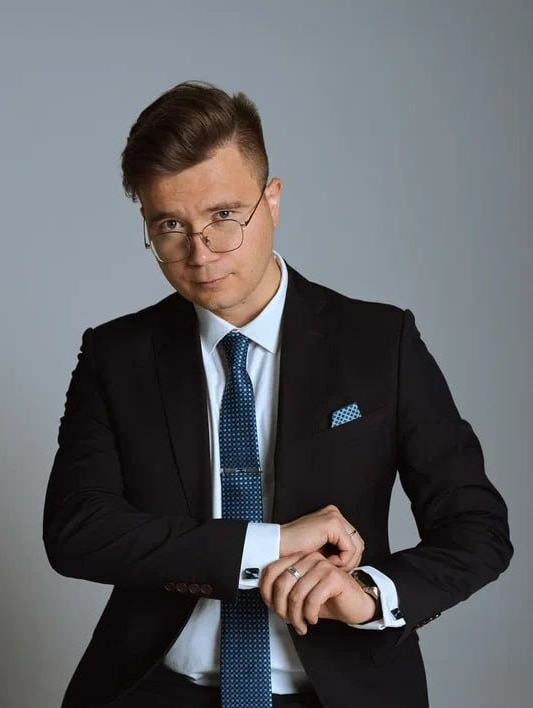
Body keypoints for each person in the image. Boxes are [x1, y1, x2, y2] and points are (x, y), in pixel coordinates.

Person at [43, 81, 512, 708]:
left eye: (224, 216)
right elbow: (78, 530)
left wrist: (369, 594)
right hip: (156, 688)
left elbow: (477, 529)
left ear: (272, 201)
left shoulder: (381, 341)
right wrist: (268, 544)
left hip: (340, 692)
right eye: (171, 225)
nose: (200, 253)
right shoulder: (116, 354)